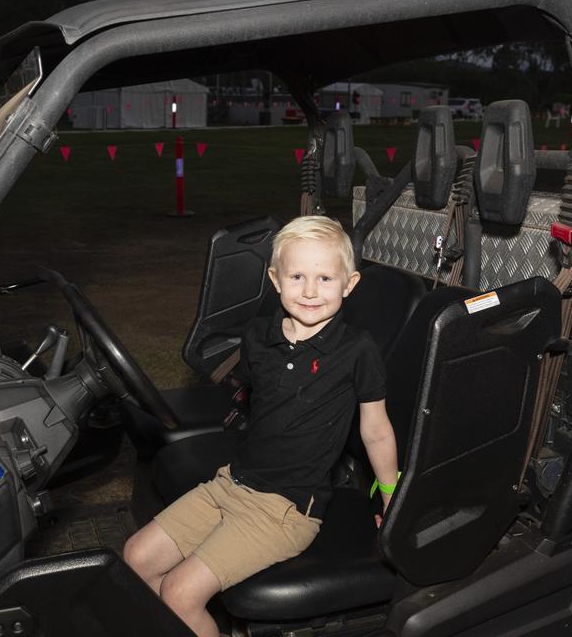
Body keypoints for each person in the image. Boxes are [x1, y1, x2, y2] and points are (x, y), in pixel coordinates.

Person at [124, 215, 399, 637]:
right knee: (136, 557)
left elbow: (376, 430)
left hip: (284, 511)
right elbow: (258, 400)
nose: (310, 291)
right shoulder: (259, 337)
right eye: (297, 276)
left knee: (180, 592)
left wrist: (389, 494)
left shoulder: (357, 351)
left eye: (326, 278)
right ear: (275, 279)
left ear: (349, 284)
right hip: (231, 483)